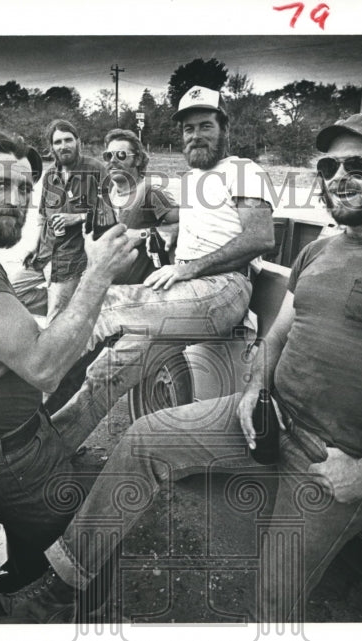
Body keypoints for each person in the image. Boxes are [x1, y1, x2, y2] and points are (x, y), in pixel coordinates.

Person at [0, 113, 362, 623]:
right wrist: (255, 389)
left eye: (358, 165)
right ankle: (65, 581)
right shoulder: (320, 251)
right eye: (328, 165)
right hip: (264, 420)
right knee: (145, 437)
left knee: (272, 602)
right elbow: (277, 334)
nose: (338, 177)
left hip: (333, 461)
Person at [0, 131, 137, 591]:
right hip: (14, 465)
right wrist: (97, 274)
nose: (15, 200)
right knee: (91, 570)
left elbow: (30, 353)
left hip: (1, 450)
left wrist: (14, 348)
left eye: (24, 189)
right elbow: (44, 368)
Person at [22, 86, 276, 440]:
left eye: (206, 126)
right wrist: (165, 234)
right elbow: (181, 223)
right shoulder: (192, 181)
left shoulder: (242, 169)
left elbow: (260, 237)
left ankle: (22, 374)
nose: (196, 136)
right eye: (189, 129)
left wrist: (189, 267)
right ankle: (47, 450)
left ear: (225, 130)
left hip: (224, 288)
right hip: (186, 295)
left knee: (103, 302)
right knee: (109, 369)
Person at [27, 119, 108, 321]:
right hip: (44, 255)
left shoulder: (95, 169)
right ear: (51, 147)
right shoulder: (50, 176)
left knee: (54, 322)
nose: (63, 146)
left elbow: (112, 212)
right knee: (11, 292)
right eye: (58, 142)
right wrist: (35, 246)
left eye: (68, 140)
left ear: (78, 141)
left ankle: (64, 311)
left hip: (71, 260)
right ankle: (69, 308)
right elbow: (42, 216)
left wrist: (79, 217)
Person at [96, 128, 179, 285]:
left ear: (138, 160)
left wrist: (143, 234)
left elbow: (188, 223)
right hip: (110, 287)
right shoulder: (108, 194)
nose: (112, 161)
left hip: (141, 291)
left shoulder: (151, 192)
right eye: (108, 156)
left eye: (121, 155)